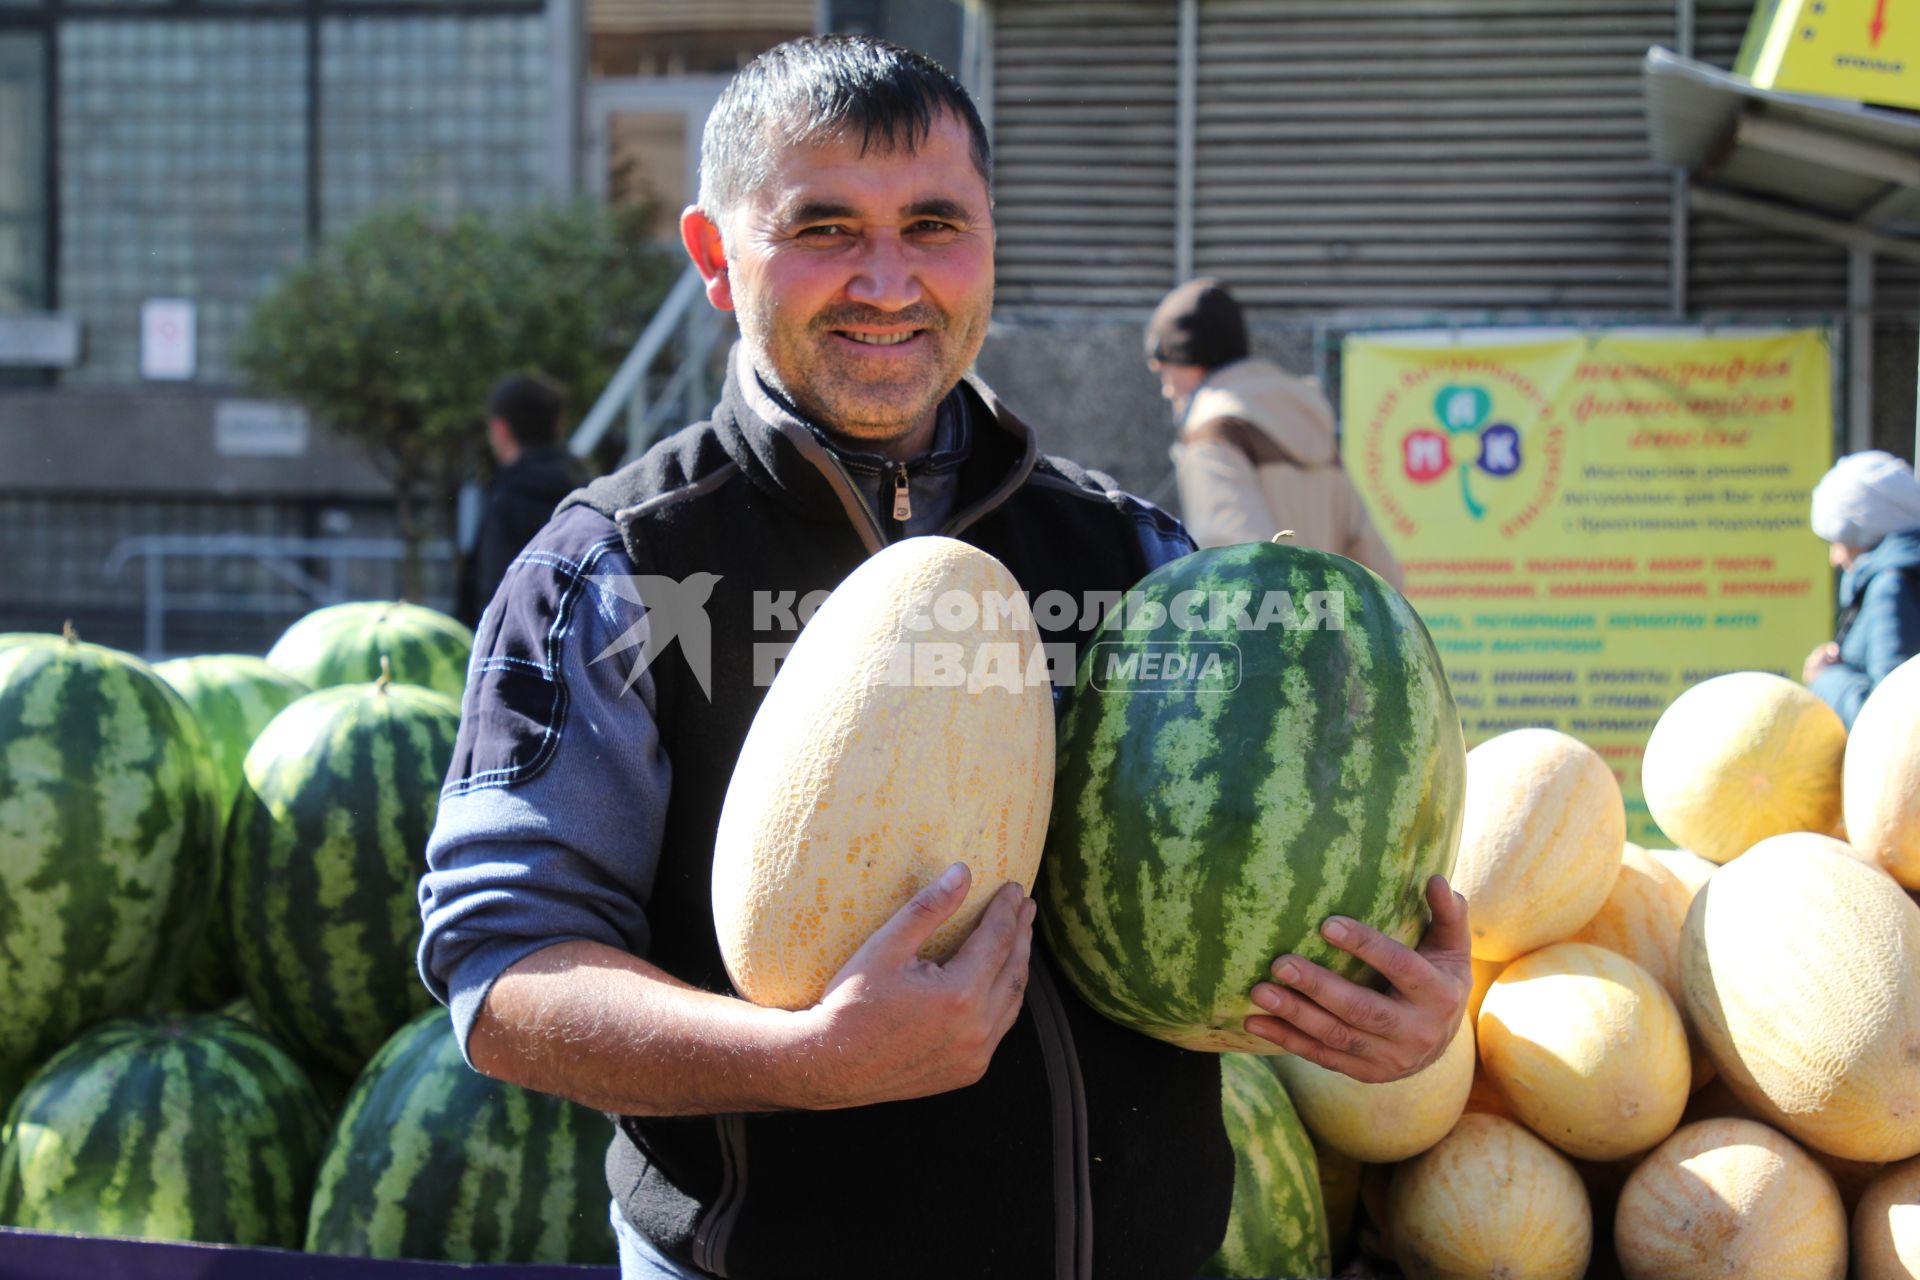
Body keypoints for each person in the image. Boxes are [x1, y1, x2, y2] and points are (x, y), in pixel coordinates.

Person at [417, 36, 1468, 1280]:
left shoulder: (1137, 555)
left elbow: (1234, 902)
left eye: (933, 223)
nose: (886, 278)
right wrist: (799, 1064)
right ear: (713, 256)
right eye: (823, 228)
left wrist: (1389, 1011)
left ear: (988, 241)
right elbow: (503, 973)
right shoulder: (614, 568)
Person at [1146, 277, 1405, 588]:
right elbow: (1381, 575)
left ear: (1191, 361)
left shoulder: (1213, 432)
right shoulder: (1307, 420)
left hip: (1265, 633)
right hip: (1330, 631)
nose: (1166, 389)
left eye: (1163, 369)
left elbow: (1238, 571)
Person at [454, 372, 589, 627]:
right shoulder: (588, 489)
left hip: (518, 652)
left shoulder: (507, 498)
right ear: (559, 424)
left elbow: (493, 595)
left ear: (500, 429)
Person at [1802, 449, 1920, 726]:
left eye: (1841, 541)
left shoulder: (1892, 586)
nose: (1836, 558)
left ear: (1870, 530)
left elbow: (1892, 720)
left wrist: (1827, 679)